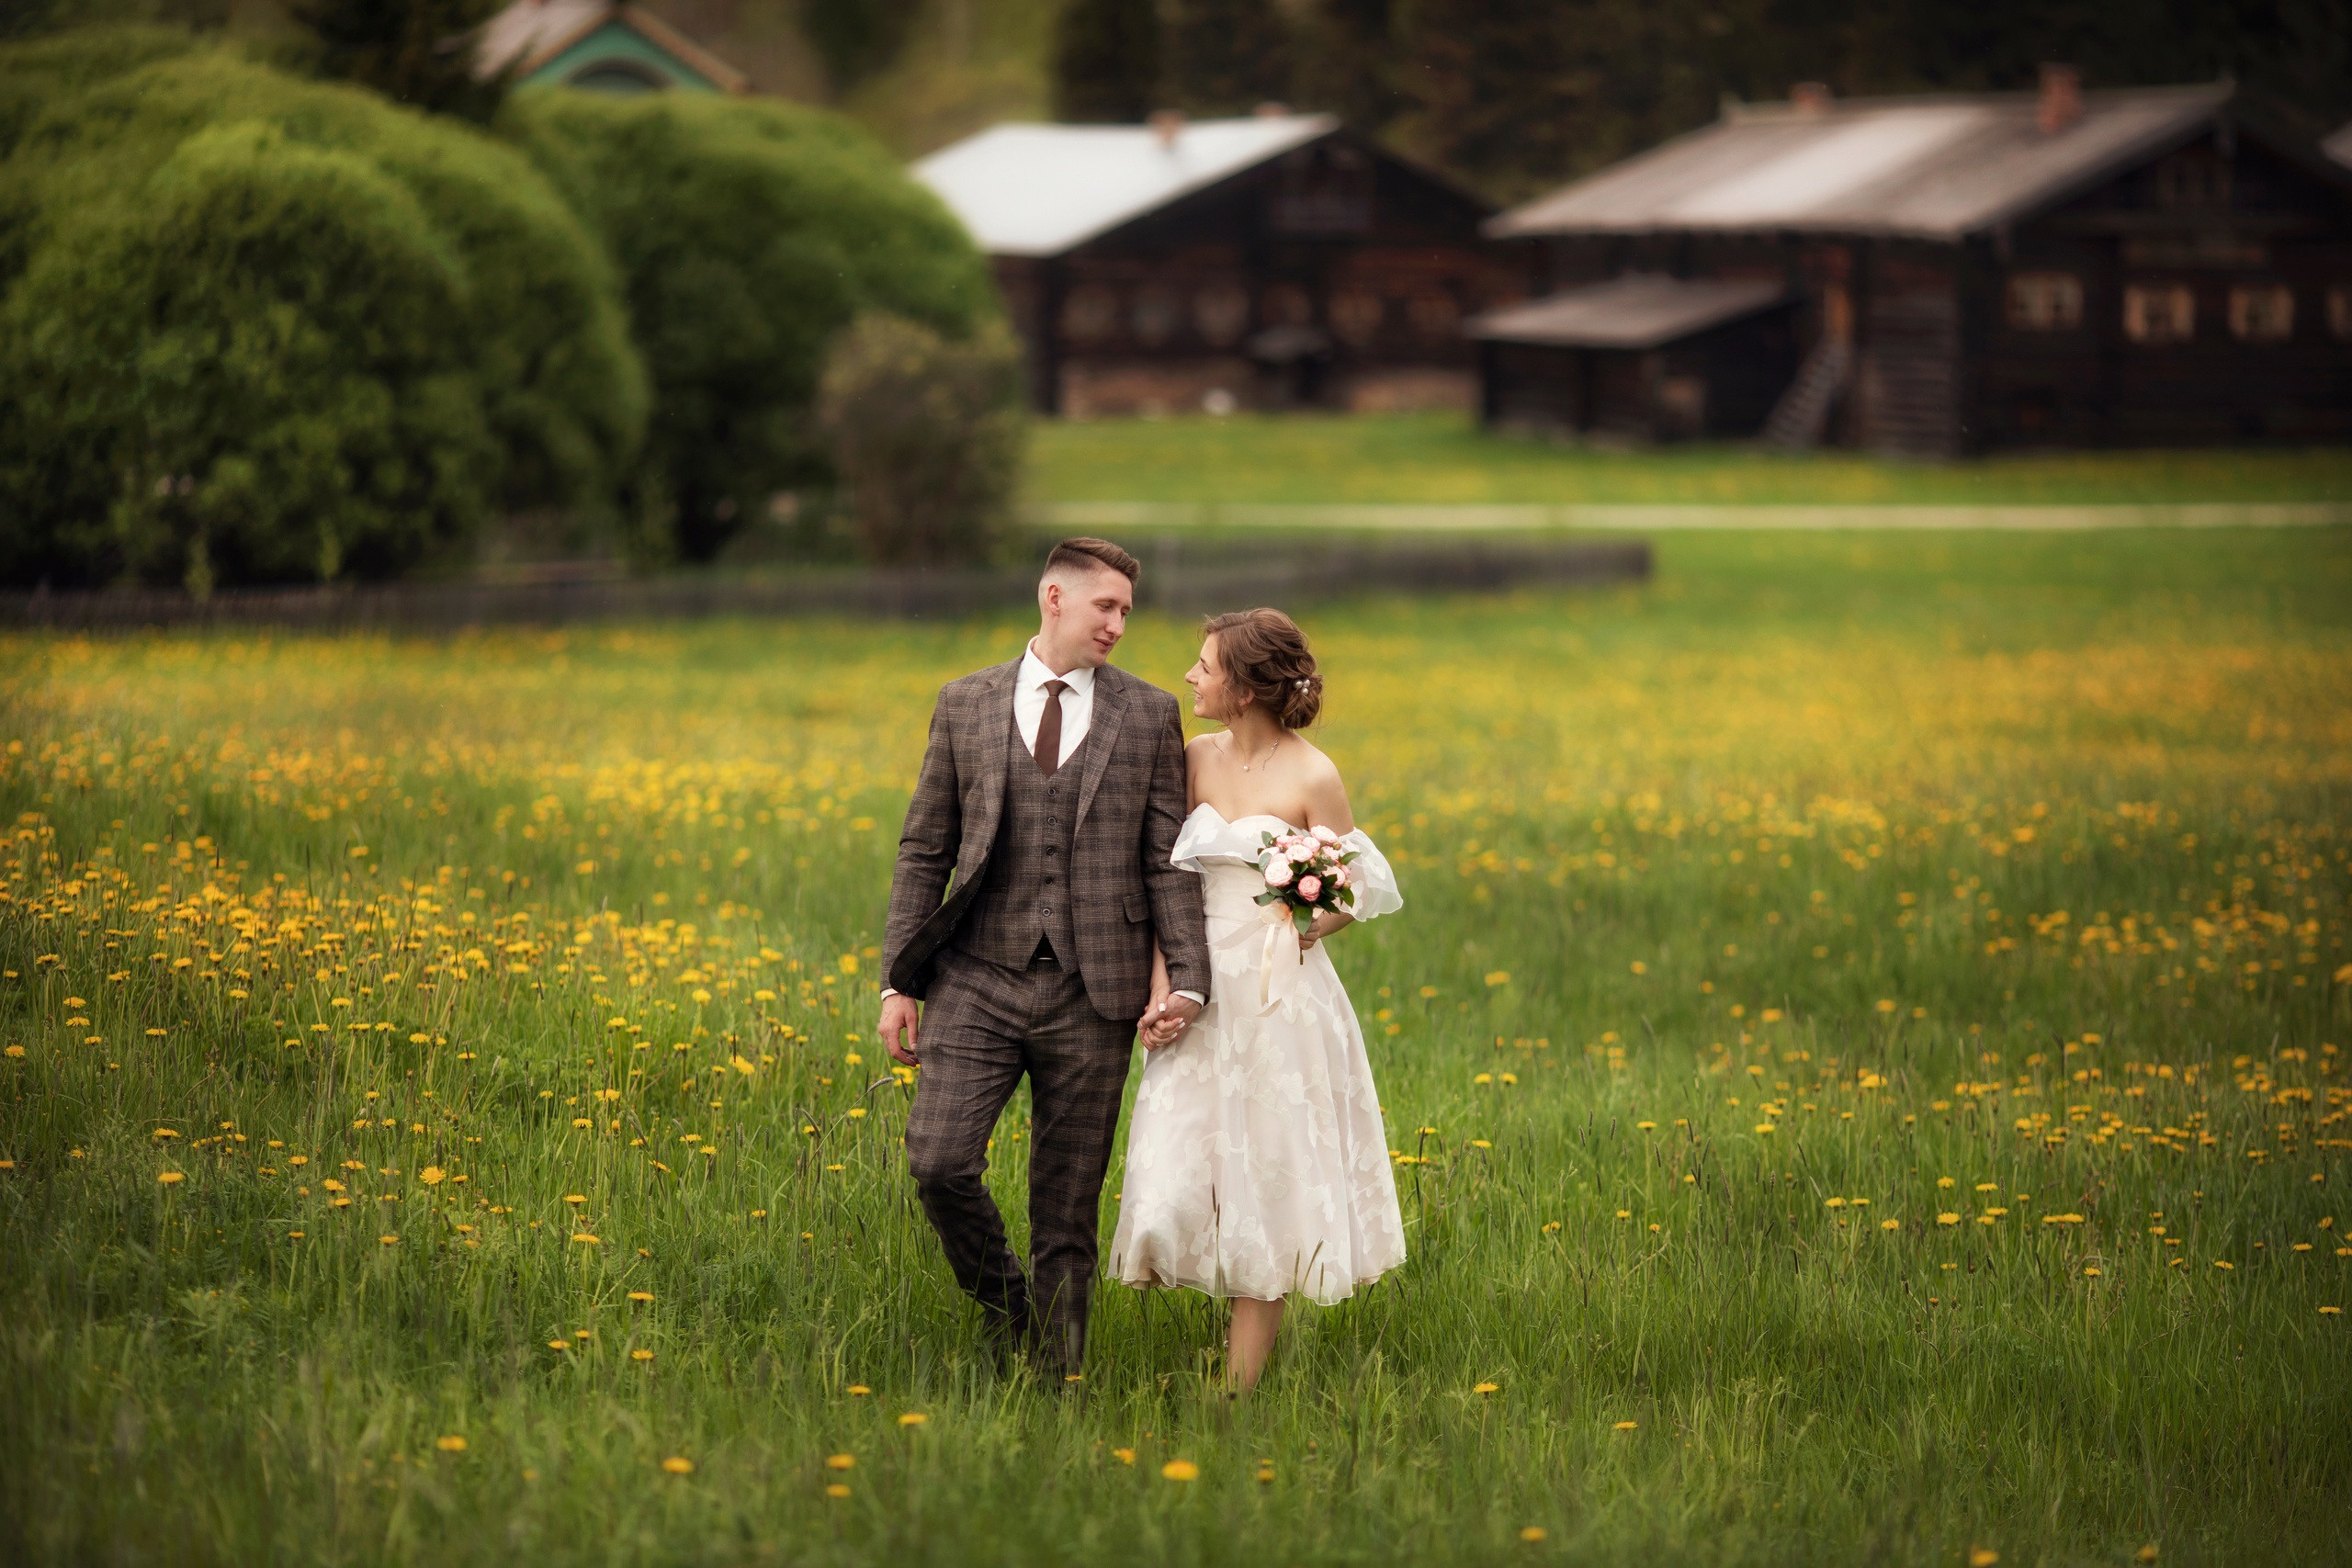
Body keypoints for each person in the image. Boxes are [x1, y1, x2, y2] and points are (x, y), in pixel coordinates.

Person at [878, 537, 1211, 1379]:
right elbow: (925, 848)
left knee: (1066, 1209)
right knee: (939, 1161)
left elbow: (1167, 860)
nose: (1119, 625)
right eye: (1107, 606)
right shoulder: (965, 702)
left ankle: (1059, 1377)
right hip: (975, 979)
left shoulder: (1148, 713)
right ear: (1053, 597)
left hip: (1094, 989)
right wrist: (898, 981)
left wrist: (1189, 980)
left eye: (1127, 611)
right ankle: (1007, 1308)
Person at [1108, 608, 1406, 1392]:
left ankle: (1235, 1393)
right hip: (1199, 986)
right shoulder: (1194, 758)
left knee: (1270, 1170)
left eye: (1204, 666)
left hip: (1281, 1001)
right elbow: (1167, 882)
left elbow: (1353, 887)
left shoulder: (1314, 774)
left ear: (1243, 688)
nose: (1190, 676)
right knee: (1181, 1166)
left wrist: (1305, 919)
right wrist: (1163, 983)